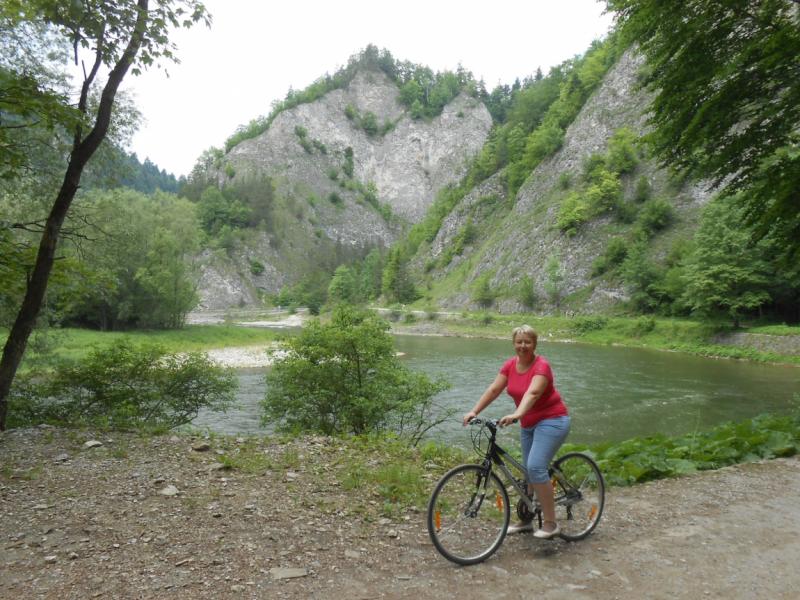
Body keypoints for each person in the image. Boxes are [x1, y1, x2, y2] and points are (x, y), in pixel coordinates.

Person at [462, 324, 570, 538]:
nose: (523, 346)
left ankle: (551, 522)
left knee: (536, 467)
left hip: (553, 420)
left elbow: (533, 392)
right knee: (528, 473)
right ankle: (527, 521)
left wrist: (516, 414)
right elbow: (494, 389)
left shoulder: (542, 366)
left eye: (527, 342)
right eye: (519, 342)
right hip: (528, 423)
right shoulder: (510, 365)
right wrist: (474, 411)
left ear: (534, 344)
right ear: (513, 344)